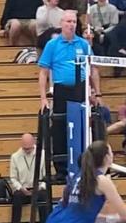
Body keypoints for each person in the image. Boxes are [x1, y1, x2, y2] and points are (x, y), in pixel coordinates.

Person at [38, 15, 99, 179]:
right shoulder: (53, 44)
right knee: (59, 128)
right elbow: (43, 73)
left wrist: (96, 92)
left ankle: (83, 166)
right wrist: (43, 98)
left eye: (73, 22)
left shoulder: (83, 44)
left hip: (80, 89)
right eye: (68, 22)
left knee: (82, 126)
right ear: (61, 24)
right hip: (61, 90)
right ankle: (61, 169)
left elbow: (93, 69)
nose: (71, 25)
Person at [6, 133, 43, 223]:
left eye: (29, 148)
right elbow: (13, 178)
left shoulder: (42, 154)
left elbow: (46, 176)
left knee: (44, 196)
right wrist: (20, 187)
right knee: (16, 197)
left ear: (34, 143)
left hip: (38, 188)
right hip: (23, 189)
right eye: (25, 148)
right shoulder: (15, 156)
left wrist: (40, 187)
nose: (27, 150)